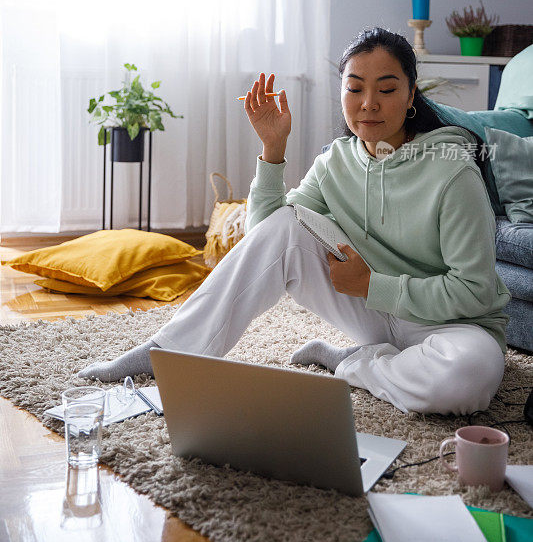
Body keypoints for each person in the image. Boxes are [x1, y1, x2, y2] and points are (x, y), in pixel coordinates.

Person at [79, 28, 511, 416]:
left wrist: (372, 285)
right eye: (355, 88)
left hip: (452, 327)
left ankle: (351, 363)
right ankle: (167, 353)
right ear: (340, 93)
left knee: (467, 379)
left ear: (412, 94)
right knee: (289, 224)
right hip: (374, 312)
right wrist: (273, 149)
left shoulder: (452, 171)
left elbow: (474, 292)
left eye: (387, 88)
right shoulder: (335, 162)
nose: (368, 104)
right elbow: (271, 234)